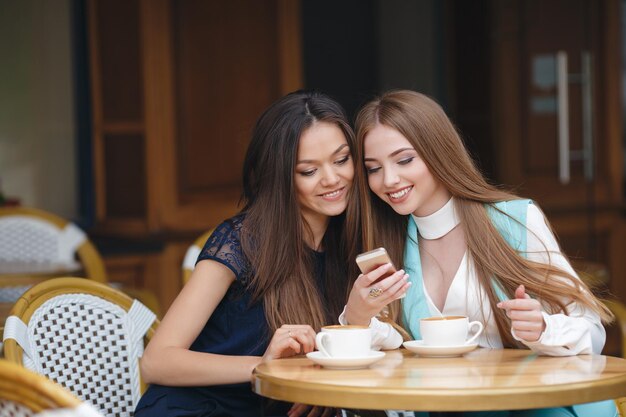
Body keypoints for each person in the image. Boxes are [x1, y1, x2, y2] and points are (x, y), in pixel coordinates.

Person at [134, 90, 407, 417]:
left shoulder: (353, 242)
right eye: (308, 171)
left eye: (341, 159)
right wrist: (264, 366)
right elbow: (156, 361)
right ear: (281, 177)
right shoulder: (241, 242)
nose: (333, 179)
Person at [352, 90, 616, 417]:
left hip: (537, 408)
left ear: (438, 151)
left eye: (404, 160)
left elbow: (593, 332)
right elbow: (386, 351)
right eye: (373, 168)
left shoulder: (514, 221)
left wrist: (543, 328)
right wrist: (356, 318)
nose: (389, 180)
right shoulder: (387, 243)